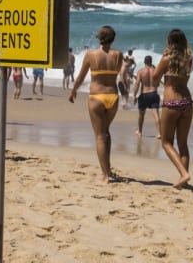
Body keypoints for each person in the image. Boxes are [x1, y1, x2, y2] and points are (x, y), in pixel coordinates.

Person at [69, 25, 123, 183]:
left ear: (99, 37)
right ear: (113, 39)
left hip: (97, 97)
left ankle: (105, 175)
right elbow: (119, 74)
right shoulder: (118, 55)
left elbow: (80, 77)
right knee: (106, 132)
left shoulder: (90, 55)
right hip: (113, 96)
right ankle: (108, 169)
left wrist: (74, 90)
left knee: (100, 137)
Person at [152, 29, 193, 189]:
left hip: (171, 103)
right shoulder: (191, 59)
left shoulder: (166, 59)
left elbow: (154, 79)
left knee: (166, 142)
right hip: (187, 102)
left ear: (169, 42)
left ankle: (184, 174)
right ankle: (184, 181)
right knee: (183, 144)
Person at [132, 55, 161, 139]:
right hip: (154, 94)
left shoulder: (140, 71)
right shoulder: (155, 71)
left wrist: (134, 95)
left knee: (141, 115)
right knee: (156, 114)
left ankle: (140, 132)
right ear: (151, 61)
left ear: (144, 62)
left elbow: (137, 84)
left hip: (144, 95)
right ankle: (159, 133)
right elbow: (157, 84)